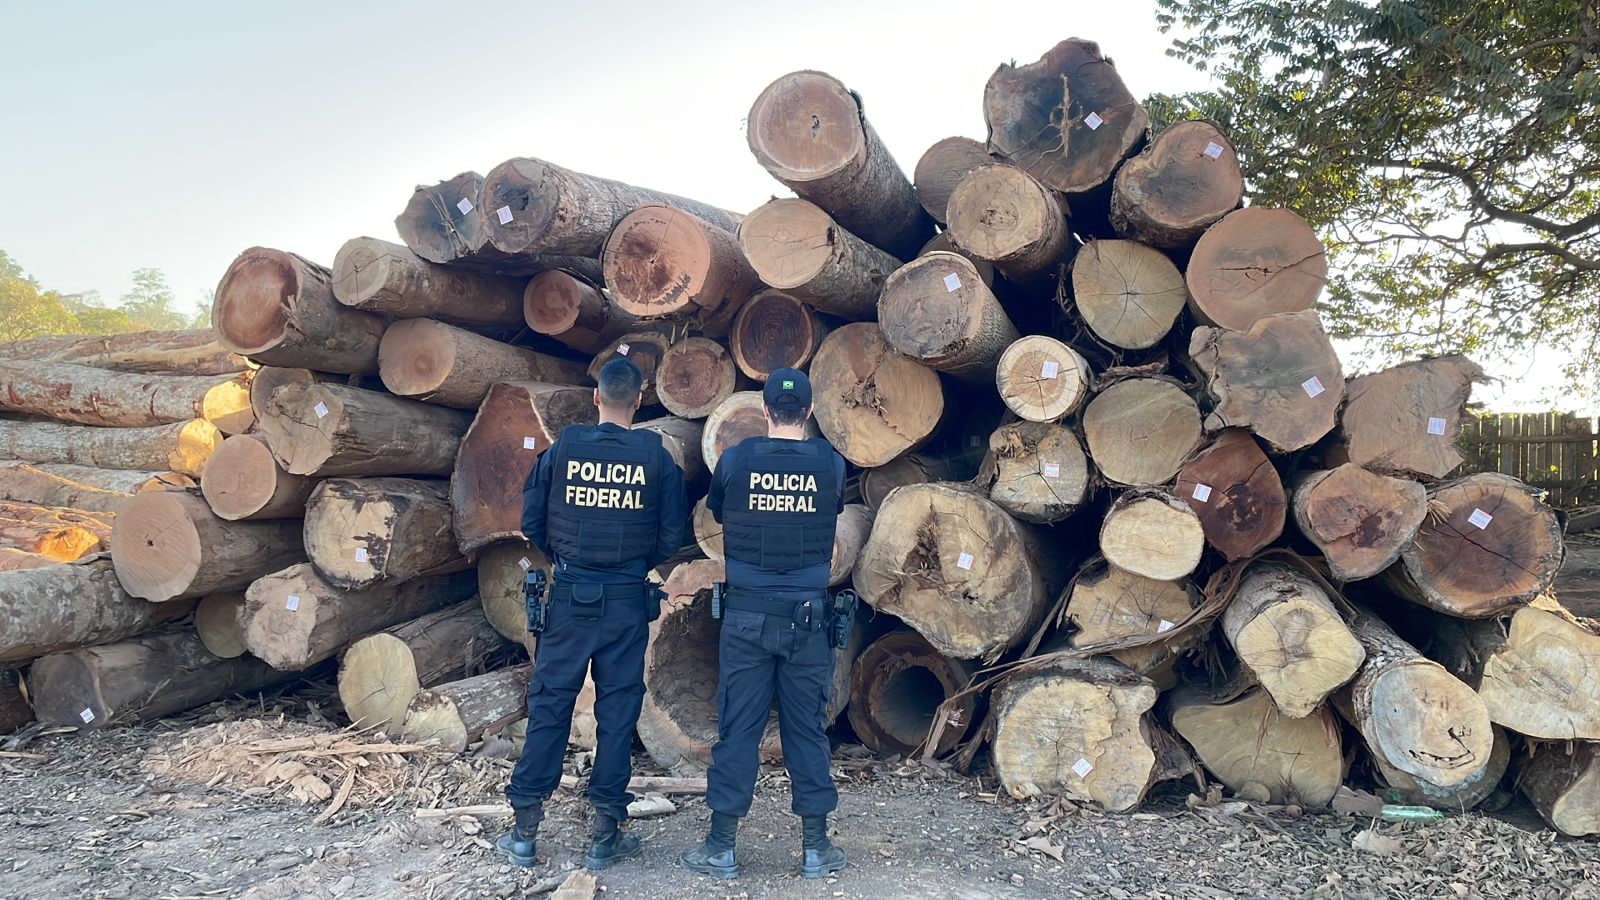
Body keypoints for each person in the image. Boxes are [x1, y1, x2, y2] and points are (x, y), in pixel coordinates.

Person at [497, 358, 687, 871]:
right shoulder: (657, 456)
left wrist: (569, 559)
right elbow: (672, 535)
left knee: (551, 705)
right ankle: (605, 833)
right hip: (626, 599)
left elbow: (532, 521)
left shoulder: (563, 451)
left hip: (571, 597)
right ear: (640, 400)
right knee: (618, 710)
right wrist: (632, 567)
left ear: (596, 398)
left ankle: (524, 831)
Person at [681, 368, 848, 880]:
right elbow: (832, 510)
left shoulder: (735, 460)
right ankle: (817, 848)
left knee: (738, 729)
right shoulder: (831, 463)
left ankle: (721, 847)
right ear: (810, 412)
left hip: (748, 616)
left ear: (766, 412)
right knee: (806, 730)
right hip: (807, 620)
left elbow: (719, 510)